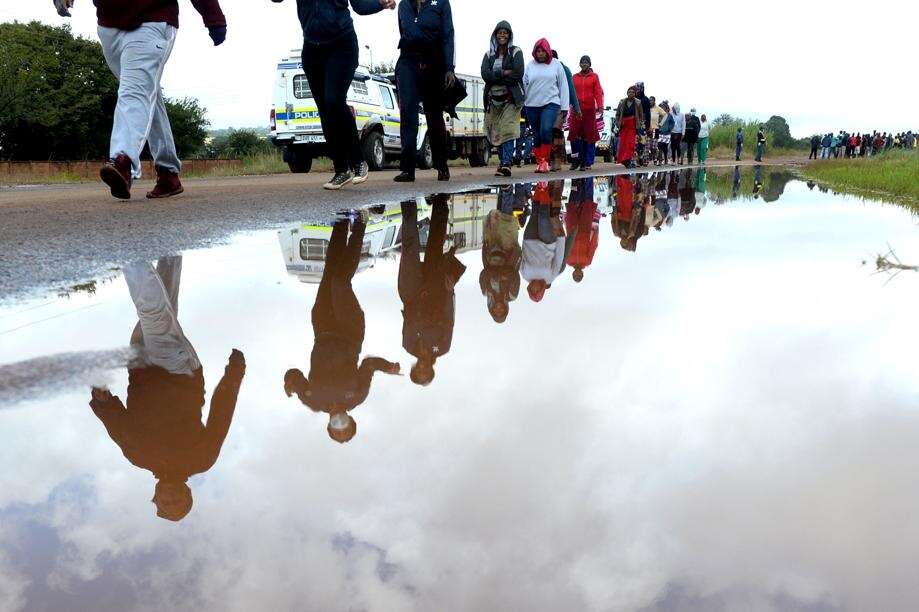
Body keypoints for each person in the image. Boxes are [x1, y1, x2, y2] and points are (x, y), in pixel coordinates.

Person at [89, 257, 245, 521]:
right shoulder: (202, 460)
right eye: (178, 502)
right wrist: (234, 373)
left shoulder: (138, 457)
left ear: (155, 497)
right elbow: (221, 414)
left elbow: (118, 425)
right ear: (187, 493)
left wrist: (103, 402)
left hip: (139, 368)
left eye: (165, 503)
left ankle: (169, 243)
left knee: (164, 306)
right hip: (179, 372)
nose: (170, 498)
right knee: (154, 314)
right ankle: (129, 252)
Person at [53, 0, 226, 200]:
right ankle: (168, 172)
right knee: (145, 92)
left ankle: (122, 161)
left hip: (153, 19)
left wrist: (213, 17)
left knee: (135, 91)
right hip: (108, 25)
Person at [284, 213, 401, 444]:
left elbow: (293, 374)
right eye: (345, 428)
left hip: (323, 328)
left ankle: (341, 222)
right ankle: (360, 224)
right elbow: (368, 364)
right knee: (340, 282)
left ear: (329, 427)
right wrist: (388, 366)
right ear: (351, 421)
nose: (340, 425)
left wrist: (289, 384)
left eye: (336, 430)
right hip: (350, 331)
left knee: (330, 272)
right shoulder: (357, 396)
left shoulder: (313, 402)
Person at [273, 0, 395, 190]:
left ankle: (359, 162)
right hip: (312, 49)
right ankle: (341, 170)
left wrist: (381, 4)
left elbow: (360, 6)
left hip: (342, 45)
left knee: (334, 100)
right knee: (325, 109)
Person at [400, 195, 467, 386]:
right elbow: (449, 319)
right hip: (435, 292)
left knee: (409, 248)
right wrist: (449, 291)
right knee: (434, 245)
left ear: (413, 369)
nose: (421, 368)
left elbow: (408, 319)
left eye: (417, 372)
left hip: (411, 293)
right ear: (431, 370)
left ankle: (408, 204)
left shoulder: (407, 345)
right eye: (425, 372)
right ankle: (440, 202)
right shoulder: (443, 347)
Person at [393, 0, 455, 183]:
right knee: (408, 113)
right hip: (408, 62)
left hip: (434, 63)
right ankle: (407, 169)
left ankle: (441, 165)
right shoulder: (404, 5)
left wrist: (449, 67)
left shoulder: (441, 3)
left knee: (434, 115)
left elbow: (447, 34)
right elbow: (406, 32)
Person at [482, 21, 525, 178]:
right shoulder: (488, 55)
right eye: (499, 32)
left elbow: (518, 73)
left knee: (508, 130)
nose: (502, 35)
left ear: (509, 35)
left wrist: (496, 76)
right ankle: (502, 162)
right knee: (497, 132)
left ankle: (507, 163)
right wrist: (504, 73)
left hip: (511, 99)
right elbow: (485, 75)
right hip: (493, 100)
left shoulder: (516, 52)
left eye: (505, 32)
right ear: (495, 35)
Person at [523, 39, 570, 174]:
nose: (540, 54)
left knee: (545, 130)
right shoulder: (530, 66)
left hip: (551, 103)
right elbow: (525, 83)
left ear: (548, 51)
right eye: (538, 51)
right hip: (531, 104)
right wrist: (522, 101)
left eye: (543, 51)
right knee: (536, 134)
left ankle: (545, 160)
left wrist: (564, 106)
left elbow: (563, 86)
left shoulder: (556, 65)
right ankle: (539, 162)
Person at [480, 185, 524, 323]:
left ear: (491, 309)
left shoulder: (486, 292)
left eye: (496, 312)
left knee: (494, 220)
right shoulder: (511, 294)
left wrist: (497, 274)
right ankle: (507, 191)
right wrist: (499, 274)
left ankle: (502, 190)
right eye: (501, 312)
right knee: (505, 220)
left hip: (491, 251)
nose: (498, 309)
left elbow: (483, 274)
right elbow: (514, 276)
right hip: (508, 251)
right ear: (506, 309)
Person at [521, 181, 566, 301]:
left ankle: (540, 186)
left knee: (535, 211)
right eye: (537, 291)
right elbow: (559, 257)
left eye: (532, 291)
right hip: (548, 242)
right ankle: (544, 184)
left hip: (529, 240)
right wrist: (561, 238)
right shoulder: (550, 277)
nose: (534, 288)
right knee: (543, 215)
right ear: (542, 290)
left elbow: (520, 258)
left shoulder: (525, 275)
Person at [568, 56, 605, 171]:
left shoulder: (594, 77)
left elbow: (598, 92)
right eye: (582, 62)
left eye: (586, 62)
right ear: (579, 64)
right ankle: (575, 160)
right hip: (576, 109)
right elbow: (570, 91)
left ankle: (585, 161)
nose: (584, 64)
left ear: (589, 64)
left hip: (589, 110)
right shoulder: (574, 77)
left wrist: (600, 106)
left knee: (588, 135)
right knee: (574, 135)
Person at [564, 178, 600, 283]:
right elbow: (593, 246)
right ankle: (589, 178)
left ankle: (575, 180)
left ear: (573, 273)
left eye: (575, 275)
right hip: (585, 227)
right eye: (579, 275)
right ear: (582, 274)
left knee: (572, 201)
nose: (577, 273)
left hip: (572, 227)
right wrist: (596, 233)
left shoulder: (567, 261)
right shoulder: (587, 261)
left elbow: (564, 244)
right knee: (587, 201)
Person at [550, 50, 579, 172]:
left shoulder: (564, 69)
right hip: (545, 106)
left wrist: (576, 107)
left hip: (560, 106)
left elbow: (571, 89)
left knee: (556, 131)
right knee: (546, 133)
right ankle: (548, 159)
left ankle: (557, 159)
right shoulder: (542, 69)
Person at [615, 86, 644, 168]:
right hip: (624, 125)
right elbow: (617, 114)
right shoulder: (622, 102)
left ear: (635, 94)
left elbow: (641, 115)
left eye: (633, 92)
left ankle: (627, 160)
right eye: (629, 92)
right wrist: (618, 123)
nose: (631, 93)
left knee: (630, 144)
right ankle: (624, 160)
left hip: (633, 125)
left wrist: (640, 124)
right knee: (623, 144)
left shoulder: (638, 102)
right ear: (627, 93)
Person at [657, 101, 673, 166]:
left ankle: (666, 160)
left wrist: (669, 128)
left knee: (665, 148)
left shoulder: (669, 115)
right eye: (661, 107)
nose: (662, 108)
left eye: (663, 107)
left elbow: (672, 123)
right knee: (659, 147)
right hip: (660, 133)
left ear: (666, 108)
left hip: (667, 134)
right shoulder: (658, 115)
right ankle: (660, 161)